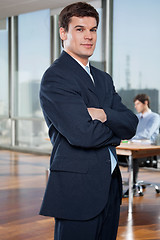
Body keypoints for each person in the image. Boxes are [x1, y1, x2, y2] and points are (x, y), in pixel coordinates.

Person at [39, 2, 138, 240]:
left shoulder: (103, 79)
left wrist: (104, 115)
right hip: (77, 190)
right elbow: (83, 134)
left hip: (110, 187)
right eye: (80, 29)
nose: (88, 36)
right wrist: (116, 134)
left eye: (93, 30)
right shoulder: (56, 77)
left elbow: (131, 124)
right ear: (63, 33)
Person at [131, 94, 160, 185]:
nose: (135, 106)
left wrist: (129, 137)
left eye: (138, 104)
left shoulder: (155, 117)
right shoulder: (137, 117)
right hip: (133, 146)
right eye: (135, 104)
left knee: (132, 158)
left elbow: (146, 134)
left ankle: (133, 186)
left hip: (146, 150)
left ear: (145, 103)